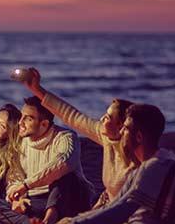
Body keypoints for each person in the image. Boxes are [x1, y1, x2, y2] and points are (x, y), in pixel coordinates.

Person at [52, 104, 175, 224]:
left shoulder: (155, 166)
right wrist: (73, 222)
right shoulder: (148, 164)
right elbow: (114, 205)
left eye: (125, 129)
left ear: (138, 136)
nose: (120, 134)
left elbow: (120, 211)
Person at [20, 68, 136, 207]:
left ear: (121, 126)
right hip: (108, 206)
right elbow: (71, 115)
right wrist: (37, 89)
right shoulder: (106, 136)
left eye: (108, 117)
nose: (102, 118)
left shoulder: (138, 156)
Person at [0, 96, 94, 224]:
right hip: (36, 201)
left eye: (28, 119)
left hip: (68, 198)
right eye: (21, 117)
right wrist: (18, 199)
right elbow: (14, 176)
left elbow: (62, 163)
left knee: (64, 176)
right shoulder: (21, 141)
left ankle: (49, 221)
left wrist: (26, 185)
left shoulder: (65, 137)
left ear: (44, 124)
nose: (20, 123)